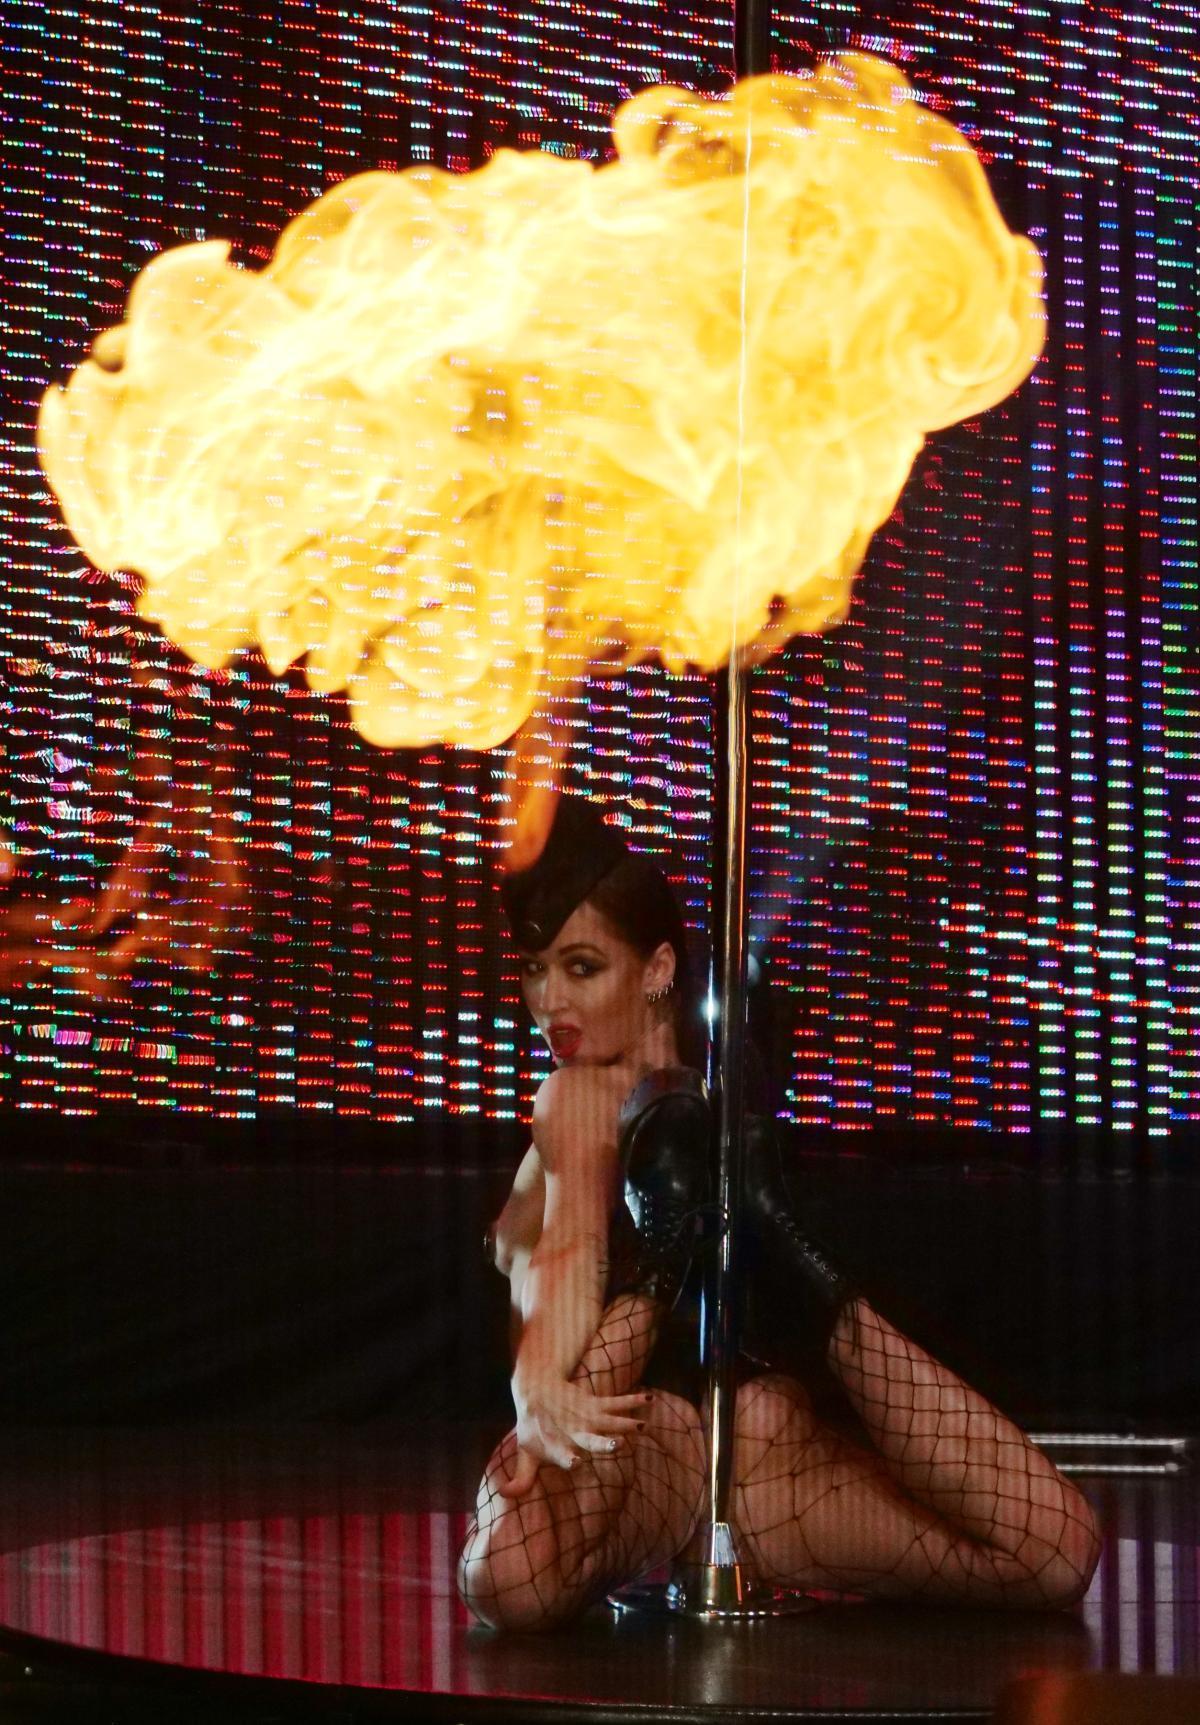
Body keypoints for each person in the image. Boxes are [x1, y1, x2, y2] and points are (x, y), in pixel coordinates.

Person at [457, 798, 1101, 1631]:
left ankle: (796, 1268)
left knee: (1054, 1550)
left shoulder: (738, 1075)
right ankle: (689, 1260)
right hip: (642, 1441)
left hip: (763, 1447)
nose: (549, 1001)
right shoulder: (575, 1097)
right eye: (535, 969)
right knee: (505, 1579)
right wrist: (537, 1378)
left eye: (581, 967)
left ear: (656, 969)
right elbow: (569, 1250)